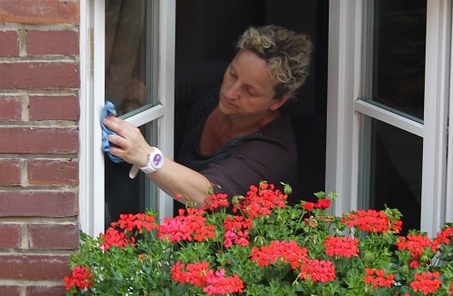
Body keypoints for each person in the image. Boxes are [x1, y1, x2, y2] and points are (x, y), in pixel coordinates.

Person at [102, 25, 313, 205]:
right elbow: (144, 89)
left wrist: (146, 156)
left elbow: (208, 195)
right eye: (233, 74)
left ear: (278, 101)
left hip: (226, 250)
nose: (230, 92)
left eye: (249, 91)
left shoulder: (273, 152)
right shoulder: (213, 81)